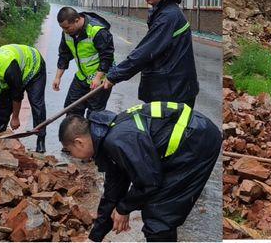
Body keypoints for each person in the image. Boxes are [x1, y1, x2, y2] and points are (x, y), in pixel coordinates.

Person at [58, 102, 221, 242]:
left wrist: (124, 208)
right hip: (190, 137)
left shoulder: (118, 140)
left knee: (159, 216)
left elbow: (149, 182)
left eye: (69, 151)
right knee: (154, 211)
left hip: (197, 141)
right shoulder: (106, 137)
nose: (73, 157)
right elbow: (114, 190)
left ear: (78, 142)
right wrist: (95, 237)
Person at [102, 0, 198, 108]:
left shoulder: (168, 16)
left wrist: (114, 75)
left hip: (173, 94)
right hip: (170, 88)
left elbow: (145, 52)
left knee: (169, 129)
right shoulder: (163, 11)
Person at [52, 6, 114, 117]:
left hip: (100, 79)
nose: (65, 31)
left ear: (77, 20)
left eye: (67, 28)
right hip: (82, 77)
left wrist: (98, 78)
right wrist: (58, 77)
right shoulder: (67, 34)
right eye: (63, 28)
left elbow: (107, 57)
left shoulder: (98, 31)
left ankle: (91, 133)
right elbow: (64, 55)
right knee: (71, 110)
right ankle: (75, 133)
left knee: (94, 115)